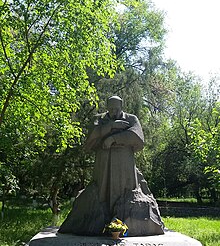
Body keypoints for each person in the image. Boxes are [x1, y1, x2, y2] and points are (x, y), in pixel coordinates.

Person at [59, 96, 164, 236]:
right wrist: (111, 126)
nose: (114, 111)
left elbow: (137, 136)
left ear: (121, 106)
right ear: (107, 106)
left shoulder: (131, 119)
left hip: (124, 160)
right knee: (102, 189)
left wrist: (113, 138)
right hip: (104, 159)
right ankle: (101, 221)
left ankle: (121, 222)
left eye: (117, 108)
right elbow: (91, 136)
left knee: (126, 189)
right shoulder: (99, 119)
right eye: (111, 108)